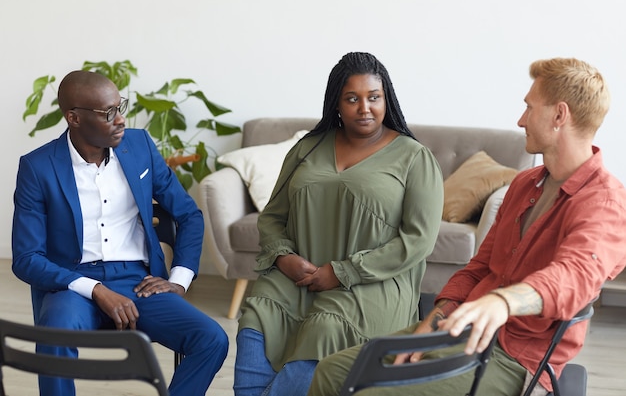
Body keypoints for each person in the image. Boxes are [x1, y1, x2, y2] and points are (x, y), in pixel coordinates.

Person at [307, 57, 626, 396]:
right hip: (457, 332)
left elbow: (573, 277)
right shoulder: (524, 184)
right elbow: (478, 268)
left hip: (514, 359)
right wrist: (432, 323)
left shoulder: (605, 202)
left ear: (559, 115)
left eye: (529, 108)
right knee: (331, 372)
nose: (521, 120)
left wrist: (503, 302)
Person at [233, 52, 444, 396]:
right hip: (299, 275)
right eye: (352, 98)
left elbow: (418, 240)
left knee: (327, 325)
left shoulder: (414, 158)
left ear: (385, 100)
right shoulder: (307, 148)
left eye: (374, 97)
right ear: (336, 104)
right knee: (258, 313)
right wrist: (283, 257)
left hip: (373, 282)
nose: (365, 108)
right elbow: (273, 216)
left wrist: (343, 272)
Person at [11, 70, 229, 396]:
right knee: (54, 337)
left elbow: (188, 215)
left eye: (120, 106)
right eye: (108, 113)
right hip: (72, 284)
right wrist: (96, 289)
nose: (121, 119)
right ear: (74, 118)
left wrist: (179, 281)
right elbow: (26, 259)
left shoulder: (139, 147)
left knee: (212, 338)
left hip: (138, 282)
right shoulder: (38, 167)